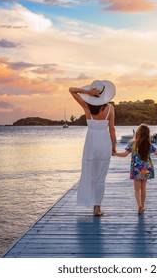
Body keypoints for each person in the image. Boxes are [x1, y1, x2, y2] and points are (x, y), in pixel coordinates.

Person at [69, 80, 116, 216]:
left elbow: (71, 89)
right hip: (104, 142)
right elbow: (112, 130)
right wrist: (113, 147)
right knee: (101, 177)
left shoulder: (87, 106)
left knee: (90, 173)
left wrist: (87, 92)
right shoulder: (110, 108)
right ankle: (97, 208)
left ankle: (89, 202)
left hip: (91, 142)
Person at [113, 124, 157, 214]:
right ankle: (143, 206)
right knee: (143, 188)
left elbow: (124, 154)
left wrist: (114, 154)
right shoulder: (148, 145)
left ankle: (139, 205)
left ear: (138, 133)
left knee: (136, 190)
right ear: (147, 134)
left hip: (136, 169)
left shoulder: (133, 144)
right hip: (146, 169)